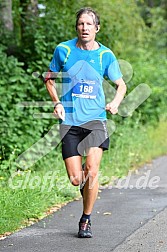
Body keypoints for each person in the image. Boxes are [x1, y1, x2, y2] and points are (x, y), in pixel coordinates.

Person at [44, 7, 126, 238]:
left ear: (97, 28)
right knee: (76, 179)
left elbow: (121, 85)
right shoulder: (64, 50)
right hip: (69, 121)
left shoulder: (105, 55)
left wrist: (116, 102)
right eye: (81, 24)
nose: (85, 28)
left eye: (89, 24)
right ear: (76, 27)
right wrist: (57, 102)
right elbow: (49, 79)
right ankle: (85, 187)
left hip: (96, 120)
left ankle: (86, 219)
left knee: (91, 170)